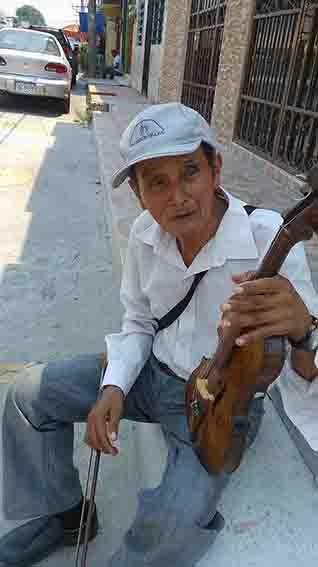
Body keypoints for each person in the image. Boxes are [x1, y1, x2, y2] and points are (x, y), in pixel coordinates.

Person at [1, 102, 318, 567]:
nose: (177, 197)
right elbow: (139, 322)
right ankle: (65, 514)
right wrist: (114, 385)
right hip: (154, 375)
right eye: (156, 182)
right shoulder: (145, 234)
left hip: (224, 406)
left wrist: (305, 331)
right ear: (137, 191)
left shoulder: (269, 237)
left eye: (190, 171)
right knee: (27, 395)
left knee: (175, 515)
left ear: (216, 168)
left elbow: (302, 372)